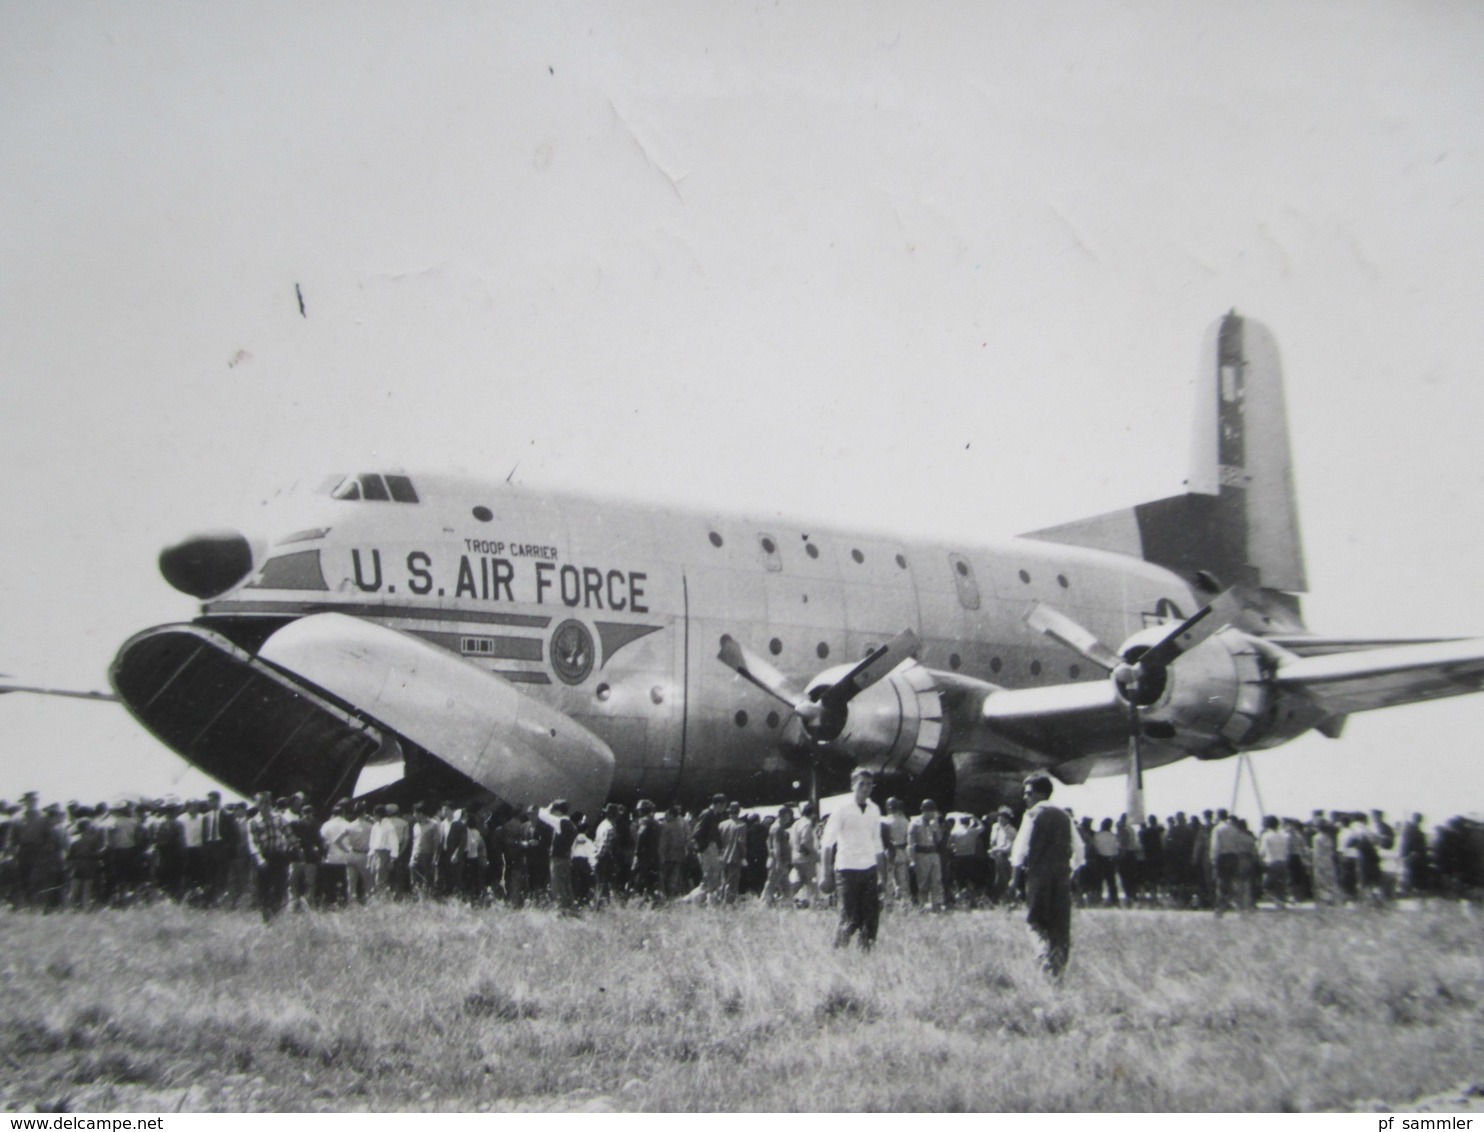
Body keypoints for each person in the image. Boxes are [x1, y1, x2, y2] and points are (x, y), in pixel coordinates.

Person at [1010, 773, 1073, 979]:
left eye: (1028, 793)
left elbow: (1019, 850)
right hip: (1063, 875)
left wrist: (1014, 878)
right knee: (1059, 925)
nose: (1025, 798)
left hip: (1039, 875)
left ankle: (1044, 957)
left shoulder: (1032, 815)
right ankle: (1059, 971)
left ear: (1040, 794)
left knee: (1035, 922)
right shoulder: (1064, 815)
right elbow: (1079, 849)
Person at [820, 767, 887, 949]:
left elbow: (877, 843)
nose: (865, 788)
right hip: (846, 869)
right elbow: (827, 843)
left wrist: (882, 875)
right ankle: (838, 952)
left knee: (871, 918)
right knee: (850, 918)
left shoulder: (874, 809)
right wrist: (825, 874)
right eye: (861, 784)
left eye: (869, 785)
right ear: (852, 785)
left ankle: (865, 956)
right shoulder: (841, 809)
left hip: (869, 869)